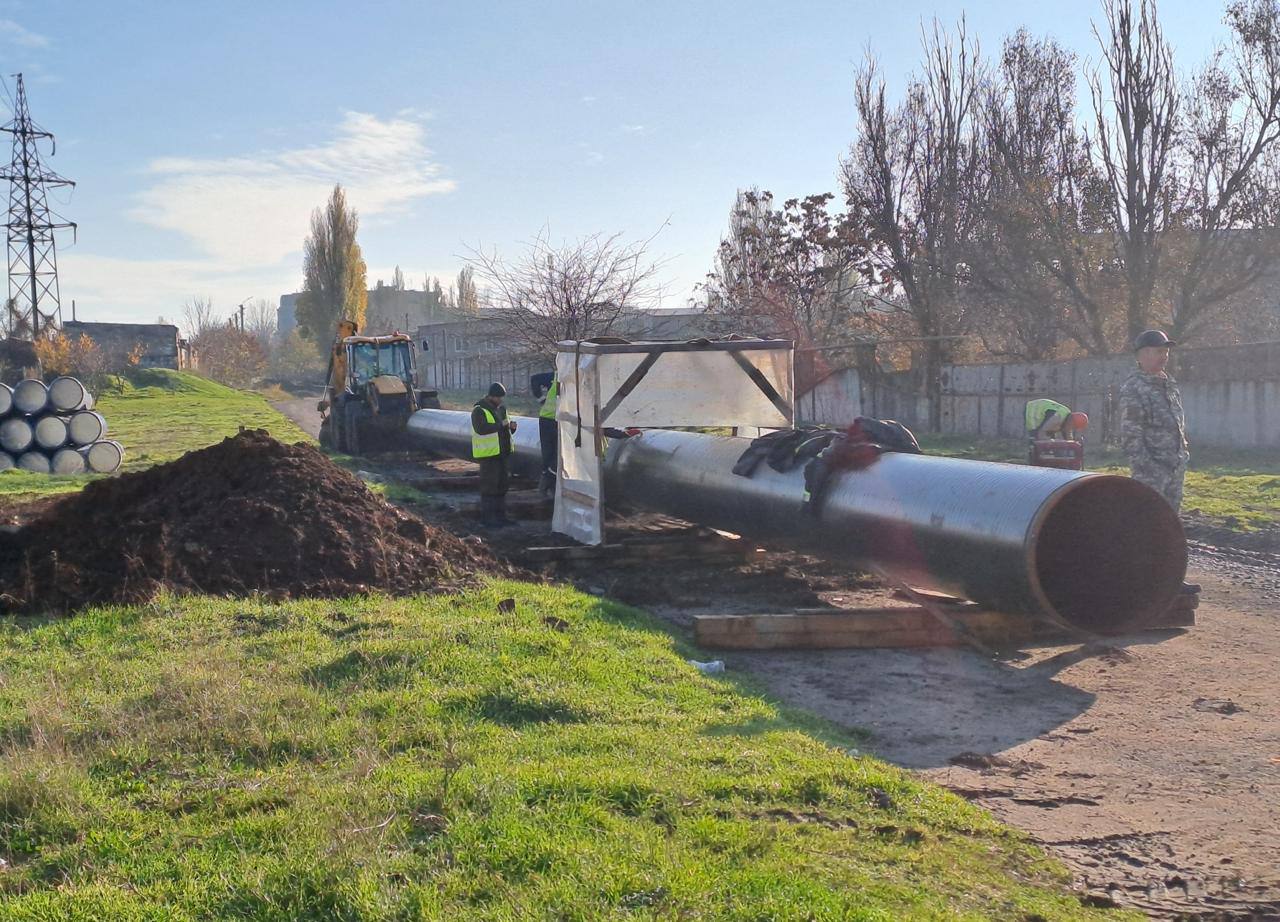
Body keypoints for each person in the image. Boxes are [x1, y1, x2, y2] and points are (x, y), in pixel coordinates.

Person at [1119, 329, 1198, 593]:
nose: (1163, 356)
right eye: (1157, 351)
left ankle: (1170, 580)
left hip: (1174, 468)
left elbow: (1177, 424)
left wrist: (1182, 456)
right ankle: (1138, 582)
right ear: (1141, 356)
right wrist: (1148, 467)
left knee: (1170, 527)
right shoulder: (1135, 388)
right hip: (1150, 471)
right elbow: (1131, 435)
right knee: (1146, 526)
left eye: (1166, 351)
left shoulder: (1168, 384)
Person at [471, 382, 518, 527]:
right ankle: (488, 519)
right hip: (488, 455)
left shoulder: (502, 409)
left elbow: (504, 428)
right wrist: (502, 425)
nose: (501, 400)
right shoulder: (479, 410)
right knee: (489, 488)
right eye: (499, 397)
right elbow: (481, 428)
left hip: (502, 454)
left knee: (502, 486)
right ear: (491, 396)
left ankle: (501, 517)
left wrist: (511, 428)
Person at [534, 372, 558, 495]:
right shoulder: (557, 376)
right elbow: (535, 379)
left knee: (552, 455)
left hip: (554, 420)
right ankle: (546, 486)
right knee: (553, 455)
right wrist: (541, 399)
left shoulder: (558, 375)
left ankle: (548, 486)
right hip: (550, 420)